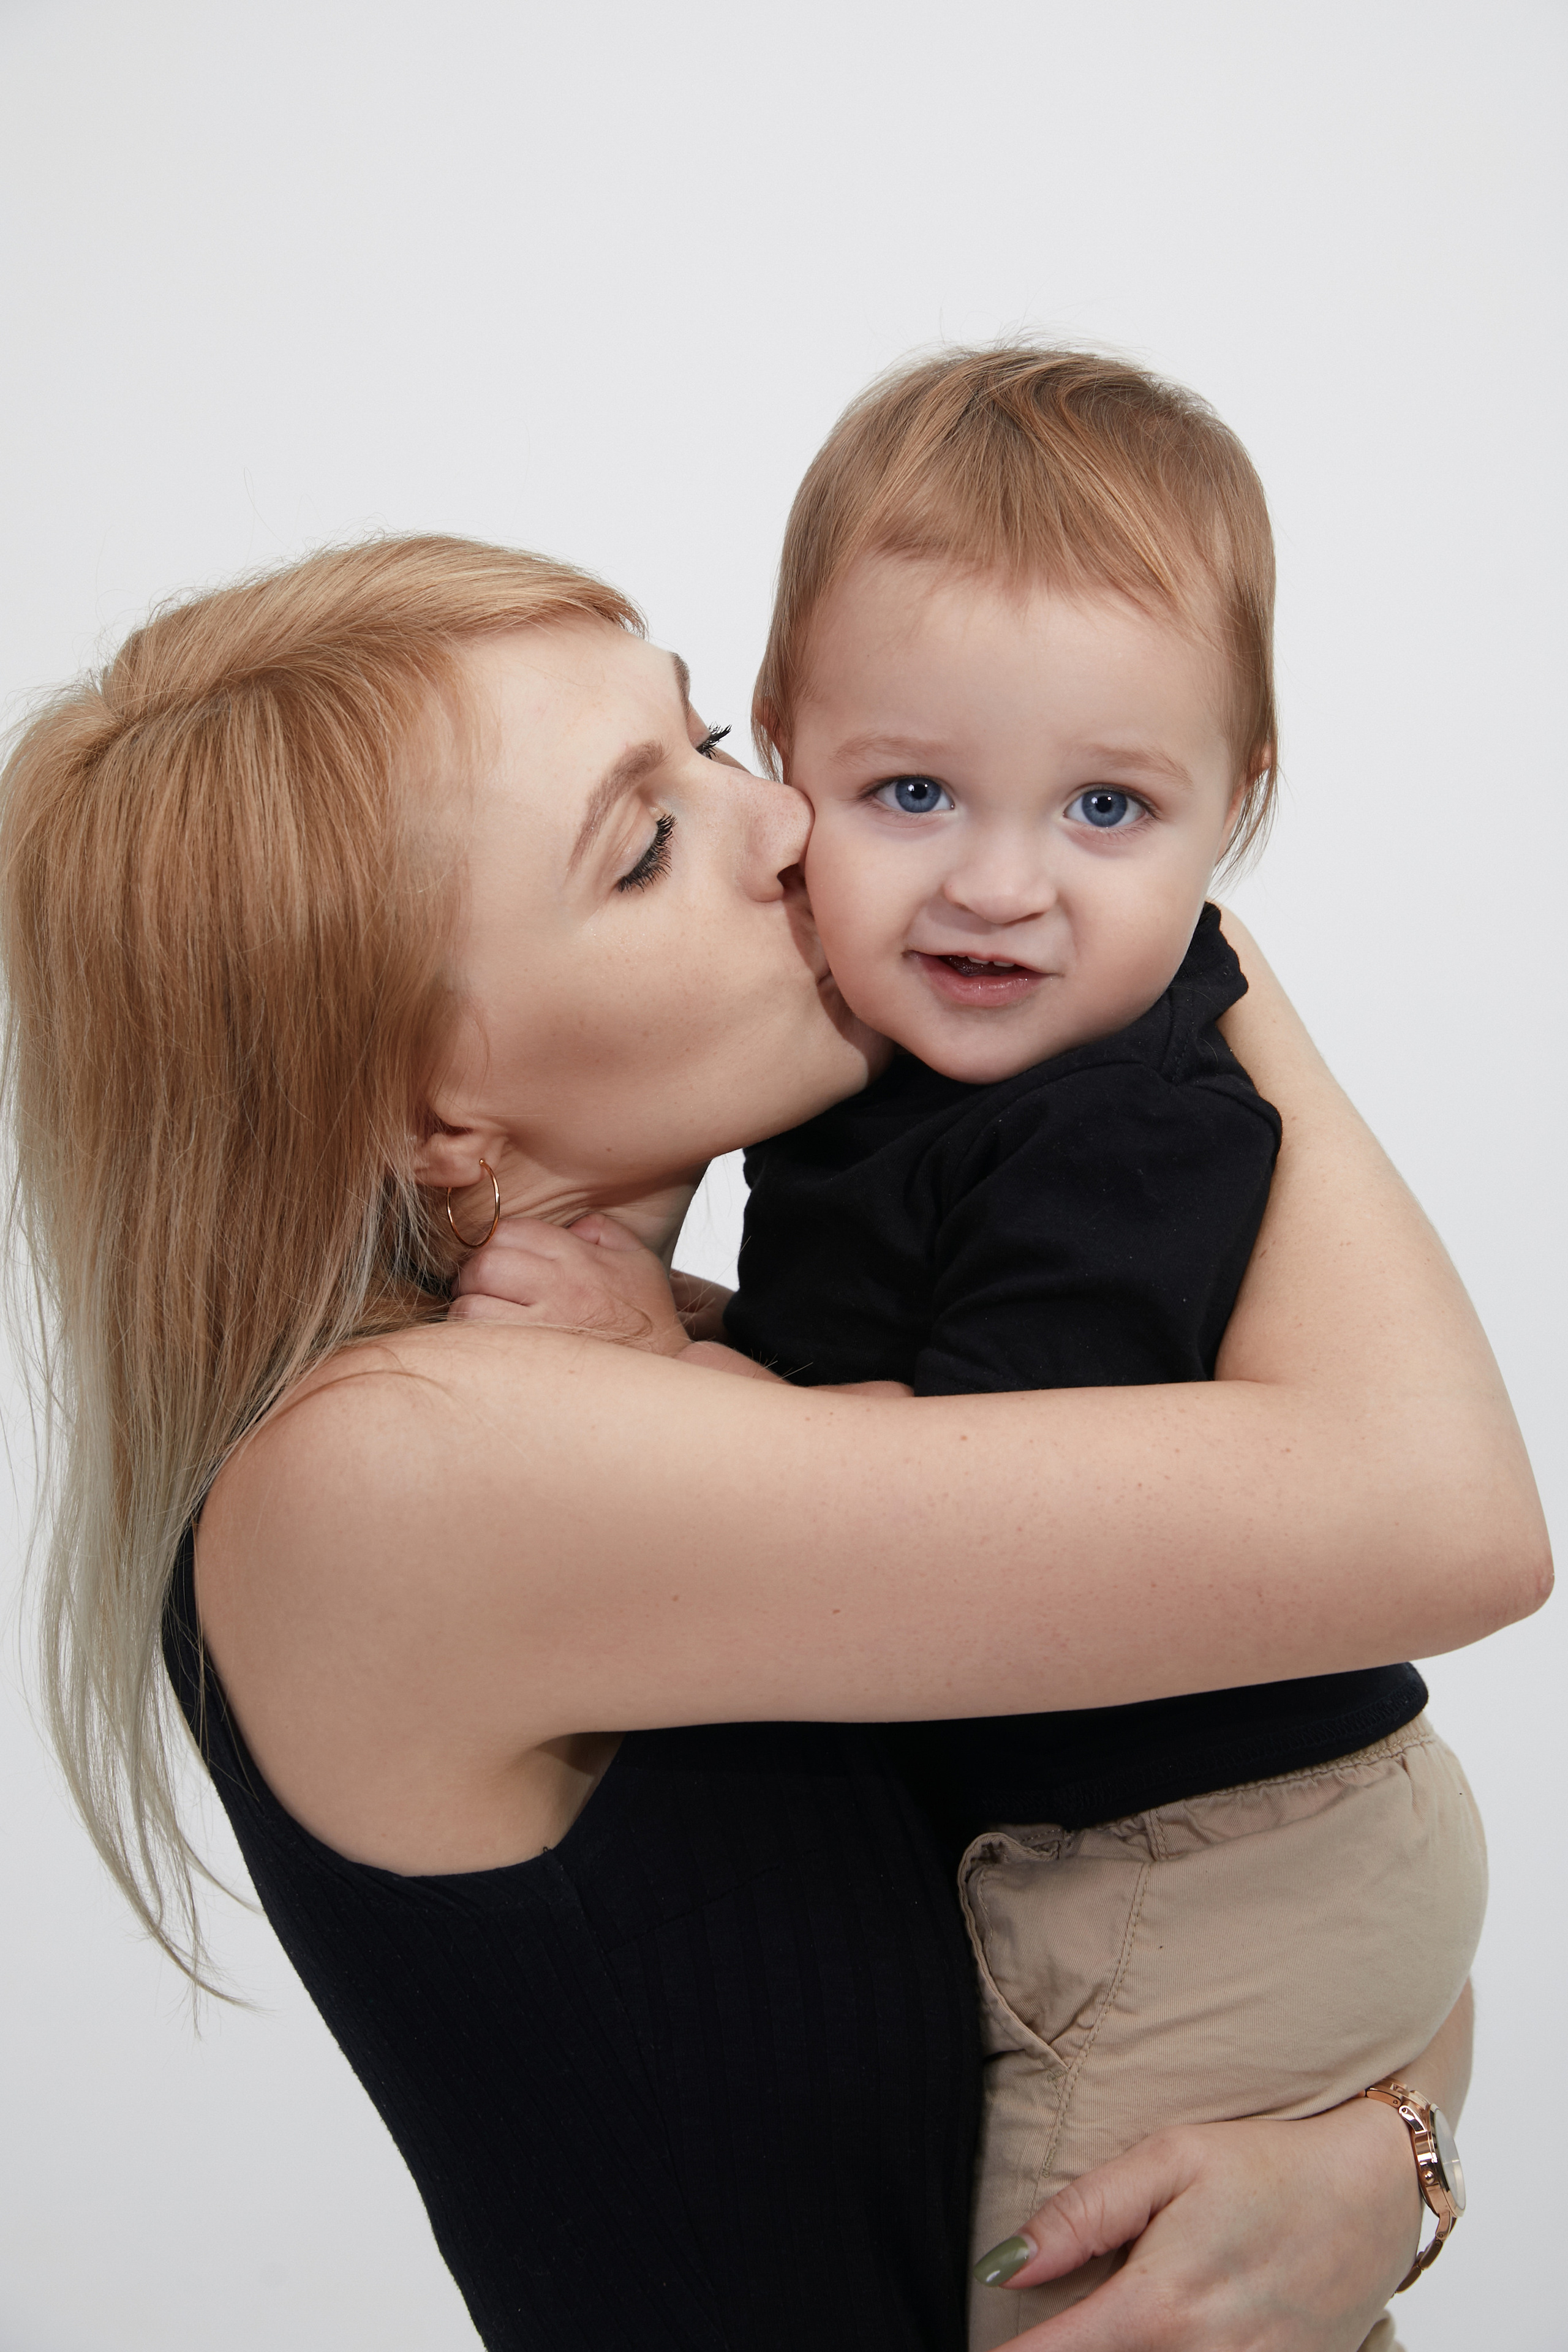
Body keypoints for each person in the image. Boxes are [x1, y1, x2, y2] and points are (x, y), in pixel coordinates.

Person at [0, 534, 1545, 2352]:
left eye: (716, 742)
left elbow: (1256, 1844)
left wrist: (1390, 2159)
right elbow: (1452, 1520)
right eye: (647, 842)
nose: (793, 827)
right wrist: (1181, 920)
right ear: (432, 1110)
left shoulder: (706, 1382)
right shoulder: (394, 1474)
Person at [718, 348, 1487, 2343]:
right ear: (776, 745)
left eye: (1106, 807)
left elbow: (963, 1515)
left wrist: (647, 1355)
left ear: (1237, 811)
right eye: (910, 791)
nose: (997, 883)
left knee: (1052, 2293)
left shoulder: (1125, 1128)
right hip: (1198, 1835)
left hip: (1194, 1863)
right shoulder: (877, 1072)